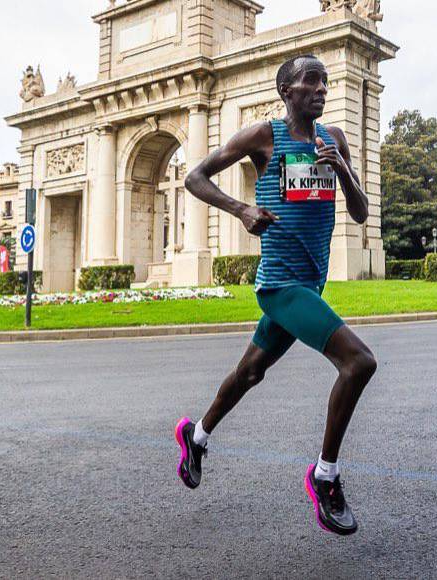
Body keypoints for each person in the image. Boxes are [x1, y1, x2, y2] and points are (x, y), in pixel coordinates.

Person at [175, 55, 377, 536]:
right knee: (360, 362)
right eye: (310, 80)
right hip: (280, 284)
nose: (321, 88)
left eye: (325, 81)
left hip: (311, 282)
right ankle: (324, 476)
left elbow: (361, 212)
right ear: (286, 90)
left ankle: (196, 436)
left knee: (250, 371)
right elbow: (195, 177)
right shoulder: (263, 136)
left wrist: (343, 170)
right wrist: (242, 208)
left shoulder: (335, 140)